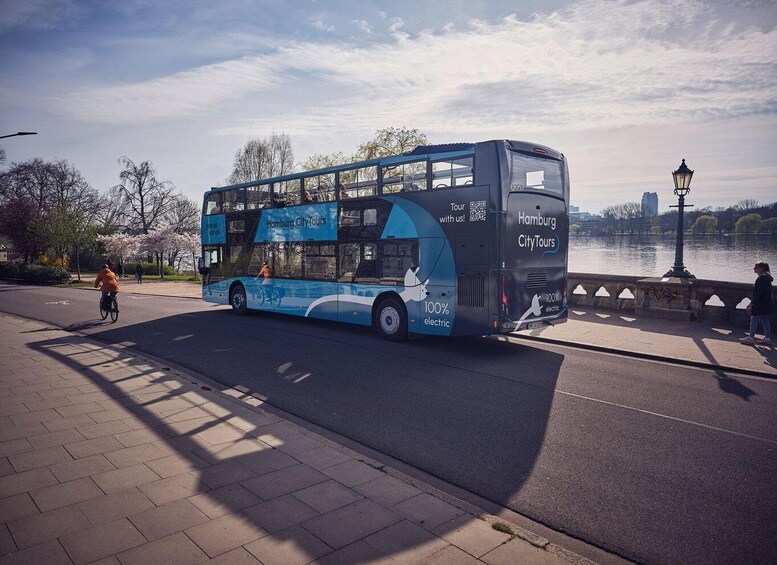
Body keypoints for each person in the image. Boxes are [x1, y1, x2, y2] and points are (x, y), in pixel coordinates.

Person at [740, 261, 773, 345]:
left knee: (754, 319)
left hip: (760, 304)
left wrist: (751, 303)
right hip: (766, 303)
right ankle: (767, 338)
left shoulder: (761, 279)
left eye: (755, 267)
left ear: (761, 269)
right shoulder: (767, 278)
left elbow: (759, 293)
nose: (754, 269)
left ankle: (751, 338)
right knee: (765, 320)